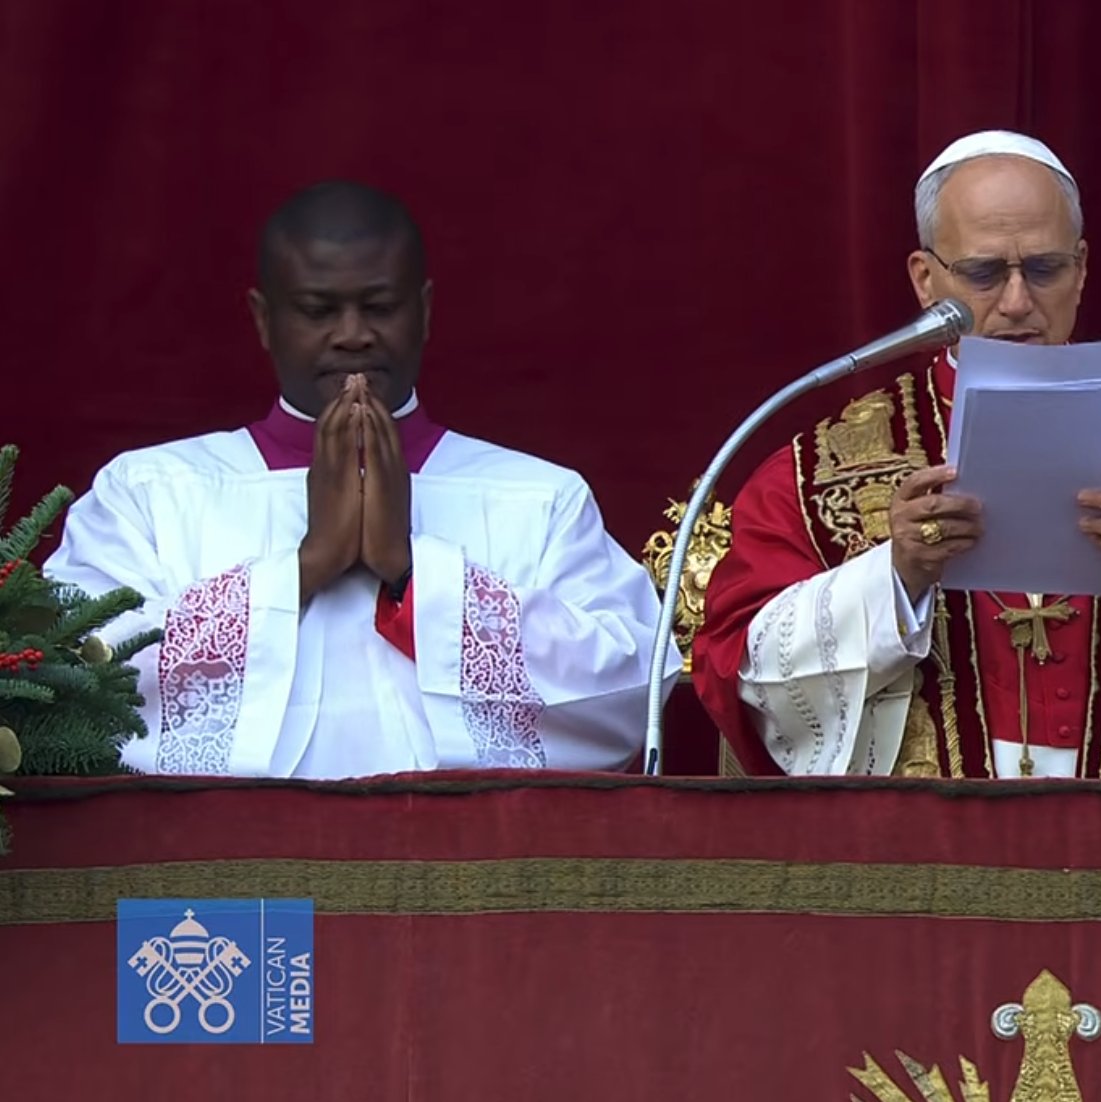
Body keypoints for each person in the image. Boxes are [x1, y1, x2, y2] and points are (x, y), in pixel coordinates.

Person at [691, 130, 1101, 778]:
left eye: (1044, 268)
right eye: (984, 272)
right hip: (914, 858)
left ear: (1083, 268)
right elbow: (739, 670)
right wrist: (892, 580)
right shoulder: (814, 474)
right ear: (925, 279)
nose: (1017, 302)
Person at [44, 180, 661, 778]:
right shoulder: (148, 492)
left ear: (424, 312)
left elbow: (627, 688)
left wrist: (415, 574)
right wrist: (303, 569)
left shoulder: (540, 498)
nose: (352, 334)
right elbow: (71, 673)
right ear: (264, 319)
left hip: (461, 875)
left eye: (379, 306)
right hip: (224, 878)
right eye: (318, 310)